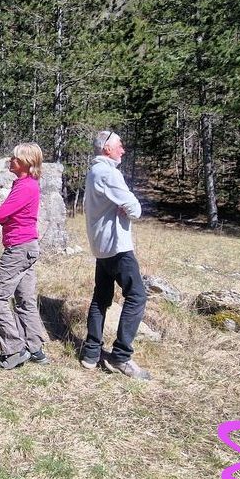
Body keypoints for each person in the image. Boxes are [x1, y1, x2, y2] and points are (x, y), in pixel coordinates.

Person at [81, 130, 152, 380]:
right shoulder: (108, 172)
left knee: (101, 298)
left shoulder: (94, 171)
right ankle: (121, 357)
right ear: (106, 149)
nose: (123, 150)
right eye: (119, 145)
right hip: (117, 246)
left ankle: (91, 353)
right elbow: (135, 208)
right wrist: (130, 209)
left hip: (102, 246)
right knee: (137, 296)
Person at [0, 143, 50, 370]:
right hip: (28, 247)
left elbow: (1, 214)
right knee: (25, 299)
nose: (10, 161)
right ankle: (35, 348)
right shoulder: (28, 185)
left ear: (26, 163)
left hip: (19, 248)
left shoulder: (25, 187)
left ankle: (15, 350)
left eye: (14, 158)